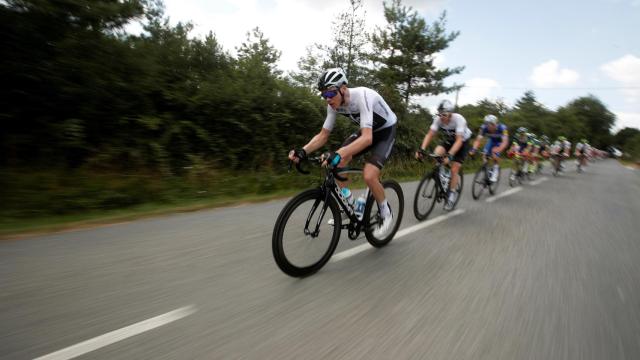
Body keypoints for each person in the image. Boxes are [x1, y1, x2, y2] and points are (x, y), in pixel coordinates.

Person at [288, 68, 398, 237]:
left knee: (369, 175)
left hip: (385, 131)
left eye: (330, 94)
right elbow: (323, 135)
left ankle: (386, 212)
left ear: (343, 89)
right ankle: (349, 205)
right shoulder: (333, 105)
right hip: (368, 130)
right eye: (324, 95)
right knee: (338, 162)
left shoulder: (363, 96)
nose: (327, 99)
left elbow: (367, 138)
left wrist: (339, 152)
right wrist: (303, 150)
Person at [415, 99, 472, 211]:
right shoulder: (438, 119)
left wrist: (450, 155)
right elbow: (430, 134)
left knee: (455, 169)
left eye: (444, 114)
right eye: (439, 114)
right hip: (450, 140)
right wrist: (422, 149)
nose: (441, 117)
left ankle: (452, 195)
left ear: (450, 113)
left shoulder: (459, 119)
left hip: (463, 141)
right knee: (437, 153)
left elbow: (459, 141)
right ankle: (443, 176)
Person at [469, 114, 509, 182]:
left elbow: (505, 142)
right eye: (486, 124)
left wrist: (498, 149)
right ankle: (486, 170)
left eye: (488, 124)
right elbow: (478, 140)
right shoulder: (483, 128)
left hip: (500, 142)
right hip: (491, 141)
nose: (487, 126)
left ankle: (495, 170)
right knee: (484, 154)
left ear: (494, 124)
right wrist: (474, 149)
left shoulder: (503, 128)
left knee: (494, 152)